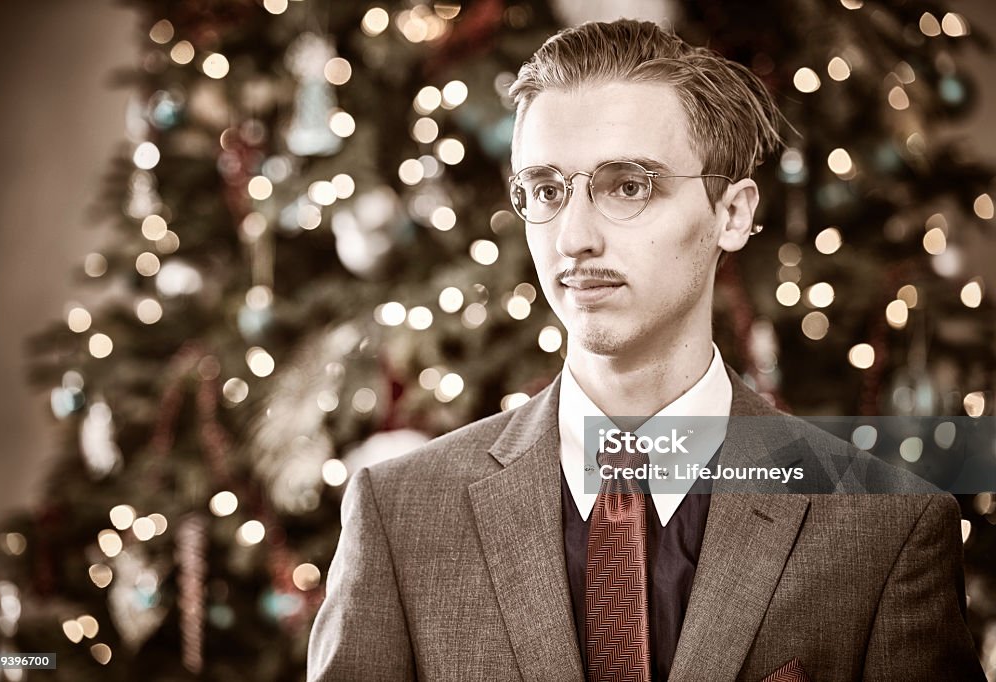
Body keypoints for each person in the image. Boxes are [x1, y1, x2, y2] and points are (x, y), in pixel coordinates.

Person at [308, 19, 984, 681]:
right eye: (546, 189)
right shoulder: (401, 513)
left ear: (734, 213)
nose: (574, 236)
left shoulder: (885, 527)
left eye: (628, 186)